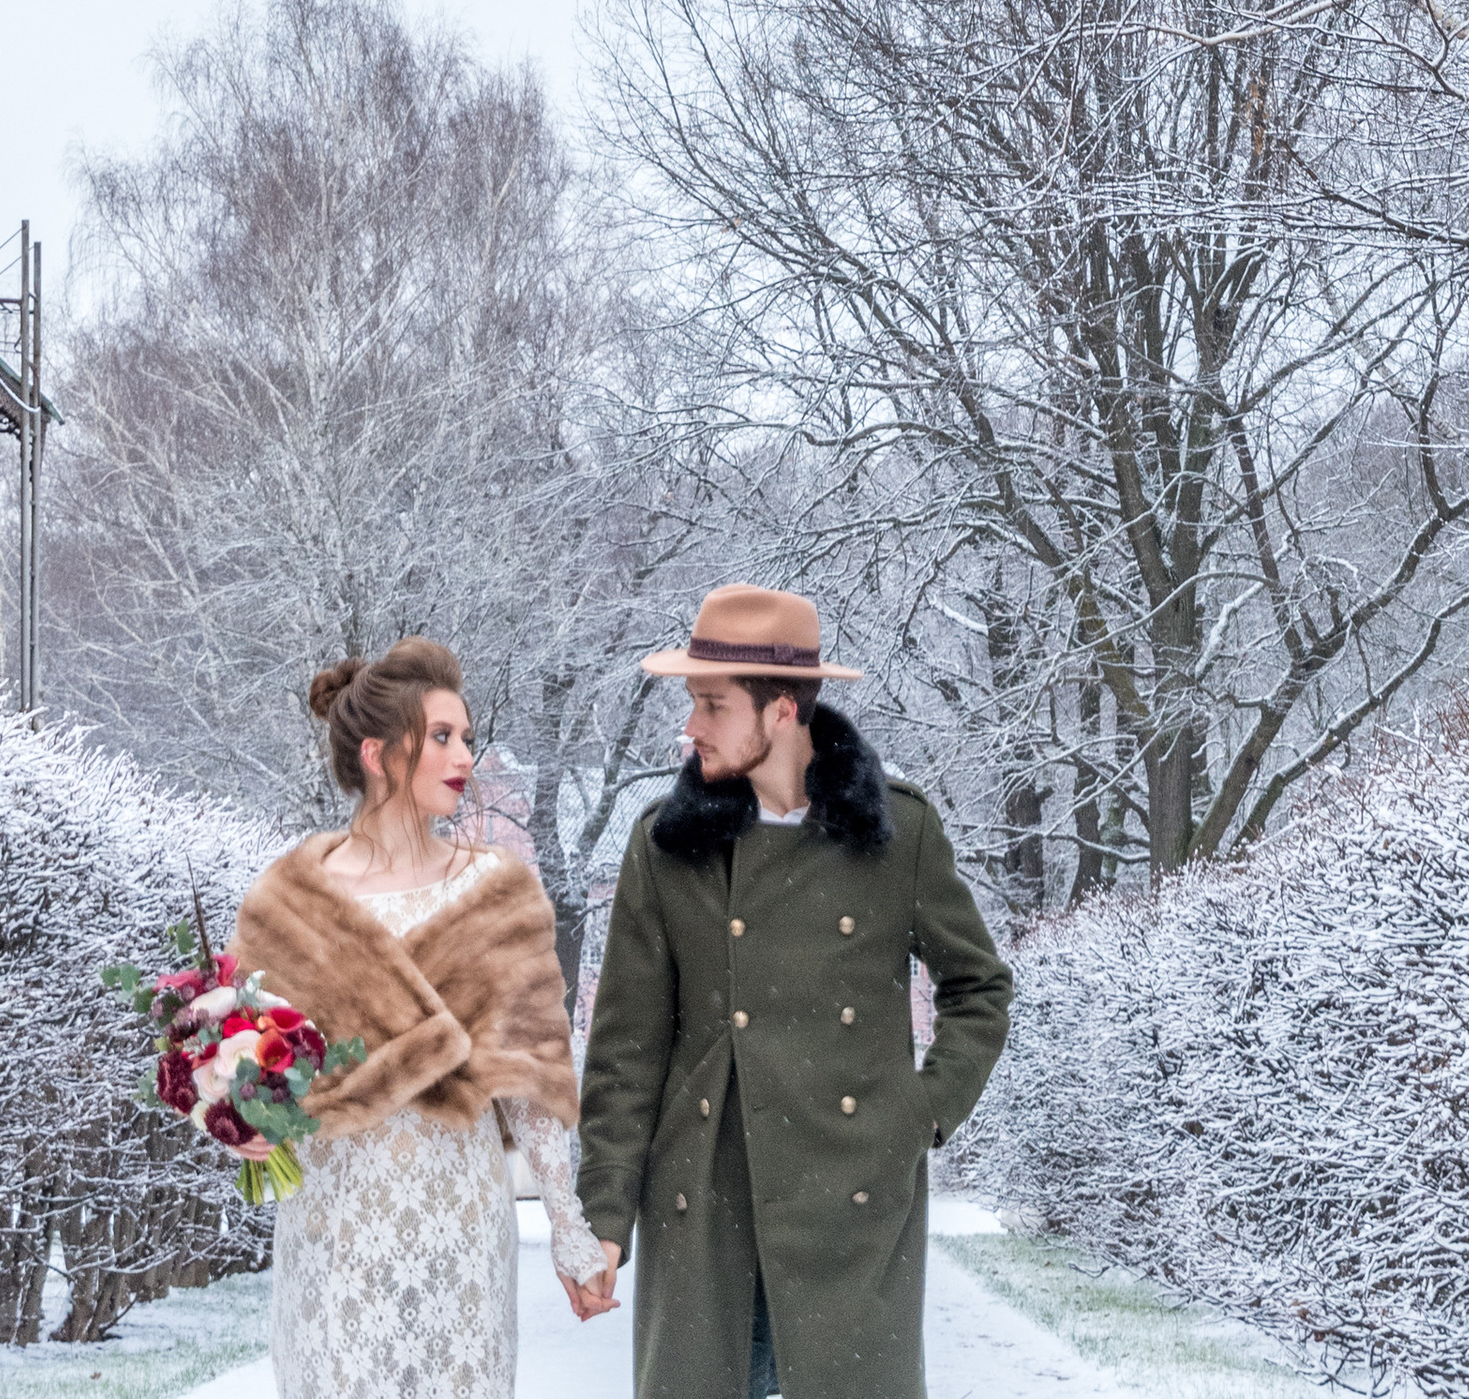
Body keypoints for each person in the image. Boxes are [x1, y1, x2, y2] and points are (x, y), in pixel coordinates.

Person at [574, 580, 1014, 1399]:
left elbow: (979, 989)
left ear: (781, 711)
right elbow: (625, 1055)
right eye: (692, 703)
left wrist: (918, 1115)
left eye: (711, 705)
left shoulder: (898, 834)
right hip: (702, 1200)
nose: (690, 726)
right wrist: (602, 1222)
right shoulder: (667, 846)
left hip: (850, 1201)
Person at [228, 636, 615, 1399]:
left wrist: (569, 1232)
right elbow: (247, 1064)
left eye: (466, 736)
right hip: (333, 1223)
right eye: (441, 737)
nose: (463, 753)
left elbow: (532, 1088)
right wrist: (243, 1121)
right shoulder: (293, 896)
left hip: (460, 1224)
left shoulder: (495, 892)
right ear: (377, 754)